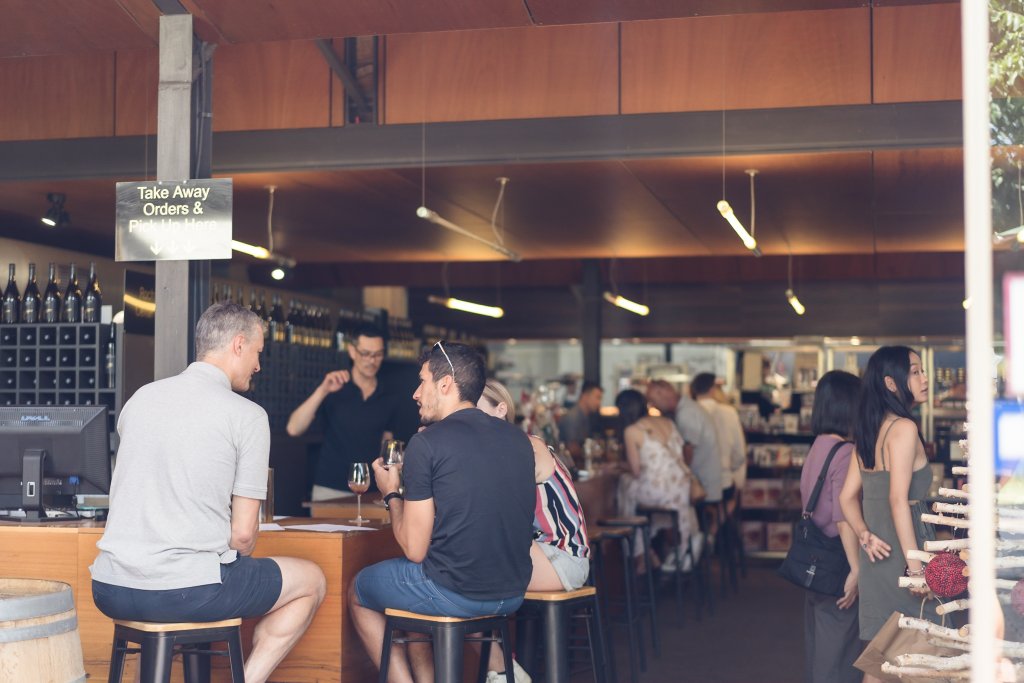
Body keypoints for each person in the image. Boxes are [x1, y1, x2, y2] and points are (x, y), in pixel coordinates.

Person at [90, 302, 326, 683]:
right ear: (238, 345)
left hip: (110, 586)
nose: (259, 366)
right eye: (258, 352)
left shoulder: (140, 399)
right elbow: (244, 534)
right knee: (313, 580)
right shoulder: (246, 415)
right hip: (186, 590)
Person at [349, 342, 536, 683]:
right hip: (512, 593)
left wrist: (391, 491)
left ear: (446, 383)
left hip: (456, 592)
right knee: (410, 595)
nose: (415, 393)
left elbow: (415, 549)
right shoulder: (518, 440)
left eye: (422, 382)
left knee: (359, 591)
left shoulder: (428, 443)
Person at [477, 379, 591, 683]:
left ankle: (503, 671)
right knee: (463, 574)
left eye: (475, 410)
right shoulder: (492, 451)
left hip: (562, 559)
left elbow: (503, 507)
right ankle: (504, 670)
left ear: (501, 410)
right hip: (539, 554)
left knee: (465, 581)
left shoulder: (526, 444)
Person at [839, 346, 939, 679]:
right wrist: (914, 568)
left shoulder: (870, 429)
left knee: (884, 662)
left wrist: (864, 534)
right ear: (891, 383)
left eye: (923, 370)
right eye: (915, 371)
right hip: (904, 555)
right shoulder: (904, 429)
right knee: (925, 655)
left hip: (877, 557)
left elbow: (846, 498)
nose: (924, 378)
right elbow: (898, 500)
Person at [286, 324, 403, 500]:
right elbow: (294, 429)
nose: (371, 360)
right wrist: (323, 390)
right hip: (329, 488)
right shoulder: (334, 385)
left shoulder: (389, 395)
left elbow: (387, 444)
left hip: (370, 490)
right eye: (365, 353)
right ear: (352, 351)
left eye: (377, 354)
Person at [799, 370, 862, 683]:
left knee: (819, 646)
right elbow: (843, 515)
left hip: (815, 559)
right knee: (839, 651)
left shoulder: (819, 445)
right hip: (838, 560)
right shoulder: (845, 451)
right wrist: (856, 570)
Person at [615, 388, 693, 570]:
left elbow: (635, 470)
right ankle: (650, 553)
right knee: (630, 489)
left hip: (657, 493)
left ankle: (640, 554)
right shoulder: (668, 422)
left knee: (625, 488)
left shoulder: (632, 430)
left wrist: (617, 466)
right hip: (680, 492)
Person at [691, 372, 747, 513]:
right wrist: (728, 468)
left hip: (694, 484)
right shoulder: (729, 412)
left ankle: (706, 533)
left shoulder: (687, 413)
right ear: (712, 389)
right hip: (723, 481)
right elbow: (740, 453)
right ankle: (714, 531)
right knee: (727, 505)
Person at [558, 380, 603, 462]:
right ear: (585, 396)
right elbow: (572, 449)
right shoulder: (573, 416)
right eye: (597, 398)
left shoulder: (586, 415)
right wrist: (594, 452)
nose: (599, 403)